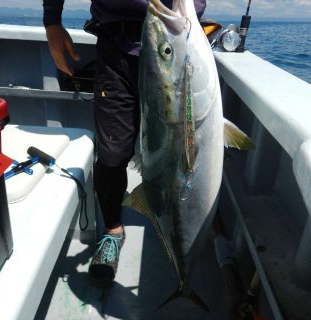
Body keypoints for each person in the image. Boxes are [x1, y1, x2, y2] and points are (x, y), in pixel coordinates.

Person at [43, 0, 206, 288]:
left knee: (186, 151)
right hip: (117, 49)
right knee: (112, 153)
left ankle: (185, 230)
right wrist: (52, 22)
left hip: (181, 41)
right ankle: (113, 232)